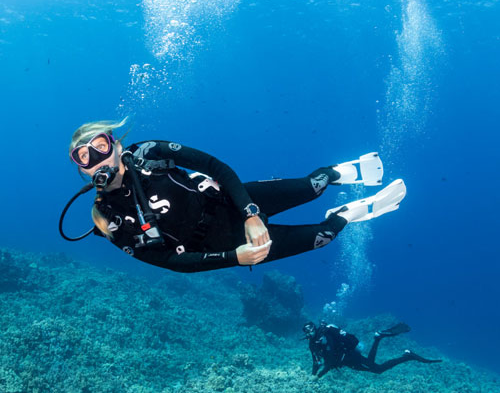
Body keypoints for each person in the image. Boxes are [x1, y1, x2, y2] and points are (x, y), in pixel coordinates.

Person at [63, 118, 407, 273]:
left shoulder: (149, 152)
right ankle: (346, 213)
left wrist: (251, 212)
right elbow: (170, 262)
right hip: (222, 245)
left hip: (229, 200)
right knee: (323, 237)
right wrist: (235, 257)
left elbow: (216, 166)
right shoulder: (107, 220)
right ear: (80, 168)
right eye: (84, 156)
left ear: (116, 144)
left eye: (101, 147)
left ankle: (333, 174)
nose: (96, 160)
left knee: (311, 188)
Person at [303, 321, 442, 378]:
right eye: (306, 332)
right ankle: (381, 340)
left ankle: (406, 355)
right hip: (346, 361)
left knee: (377, 369)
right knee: (374, 367)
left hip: (350, 357)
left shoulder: (326, 336)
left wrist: (318, 377)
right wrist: (312, 376)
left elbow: (331, 360)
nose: (308, 334)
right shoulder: (312, 344)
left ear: (314, 328)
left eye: (310, 330)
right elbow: (315, 362)